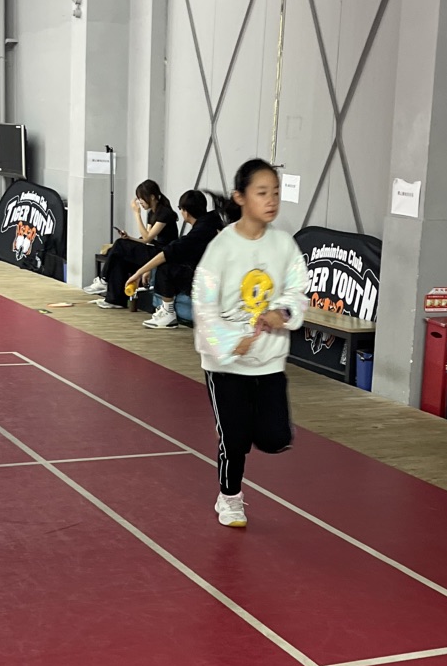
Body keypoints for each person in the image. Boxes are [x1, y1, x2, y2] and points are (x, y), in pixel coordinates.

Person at [191, 159, 308, 529]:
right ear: (240, 197)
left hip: (269, 360)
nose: (271, 200)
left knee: (275, 438)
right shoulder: (220, 249)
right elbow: (203, 306)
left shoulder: (284, 244)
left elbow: (298, 289)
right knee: (235, 439)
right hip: (226, 364)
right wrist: (228, 342)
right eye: (262, 193)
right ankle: (229, 498)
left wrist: (283, 312)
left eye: (276, 192)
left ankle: (242, 424)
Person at [126, 190, 221, 329]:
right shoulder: (210, 223)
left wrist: (138, 273)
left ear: (185, 212)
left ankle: (168, 313)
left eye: (180, 209)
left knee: (166, 267)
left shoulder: (200, 231)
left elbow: (167, 252)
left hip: (207, 278)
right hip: (208, 272)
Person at [86, 181, 177, 309]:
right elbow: (146, 240)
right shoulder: (152, 213)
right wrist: (129, 238)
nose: (140, 202)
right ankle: (115, 300)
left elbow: (147, 238)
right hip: (153, 249)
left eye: (141, 199)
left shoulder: (165, 213)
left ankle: (103, 279)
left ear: (152, 197)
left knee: (119, 245)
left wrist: (137, 214)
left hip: (163, 253)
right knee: (118, 255)